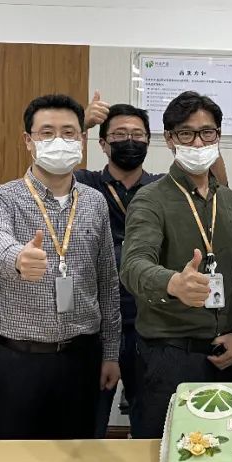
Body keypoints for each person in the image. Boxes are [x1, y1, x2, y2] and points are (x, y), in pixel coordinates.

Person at [0, 94, 121, 439]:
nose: (59, 141)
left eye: (69, 133)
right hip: (18, 359)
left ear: (82, 139)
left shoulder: (95, 202)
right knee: (14, 460)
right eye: (47, 133)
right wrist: (17, 258)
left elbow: (107, 282)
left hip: (81, 358)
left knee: (76, 457)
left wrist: (111, 353)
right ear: (29, 141)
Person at [120, 91, 232, 439]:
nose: (198, 142)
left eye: (207, 133)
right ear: (169, 139)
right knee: (162, 454)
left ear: (218, 136)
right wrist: (173, 284)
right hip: (168, 356)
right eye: (186, 133)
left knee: (219, 451)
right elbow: (133, 264)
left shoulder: (230, 202)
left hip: (222, 353)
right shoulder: (150, 199)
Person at [76, 100, 163, 438]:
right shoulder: (82, 184)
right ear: (102, 143)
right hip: (96, 321)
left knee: (150, 422)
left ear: (148, 142)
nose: (130, 141)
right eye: (120, 134)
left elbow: (214, 188)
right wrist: (81, 125)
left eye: (137, 135)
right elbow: (42, 176)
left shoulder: (162, 189)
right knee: (89, 423)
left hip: (148, 321)